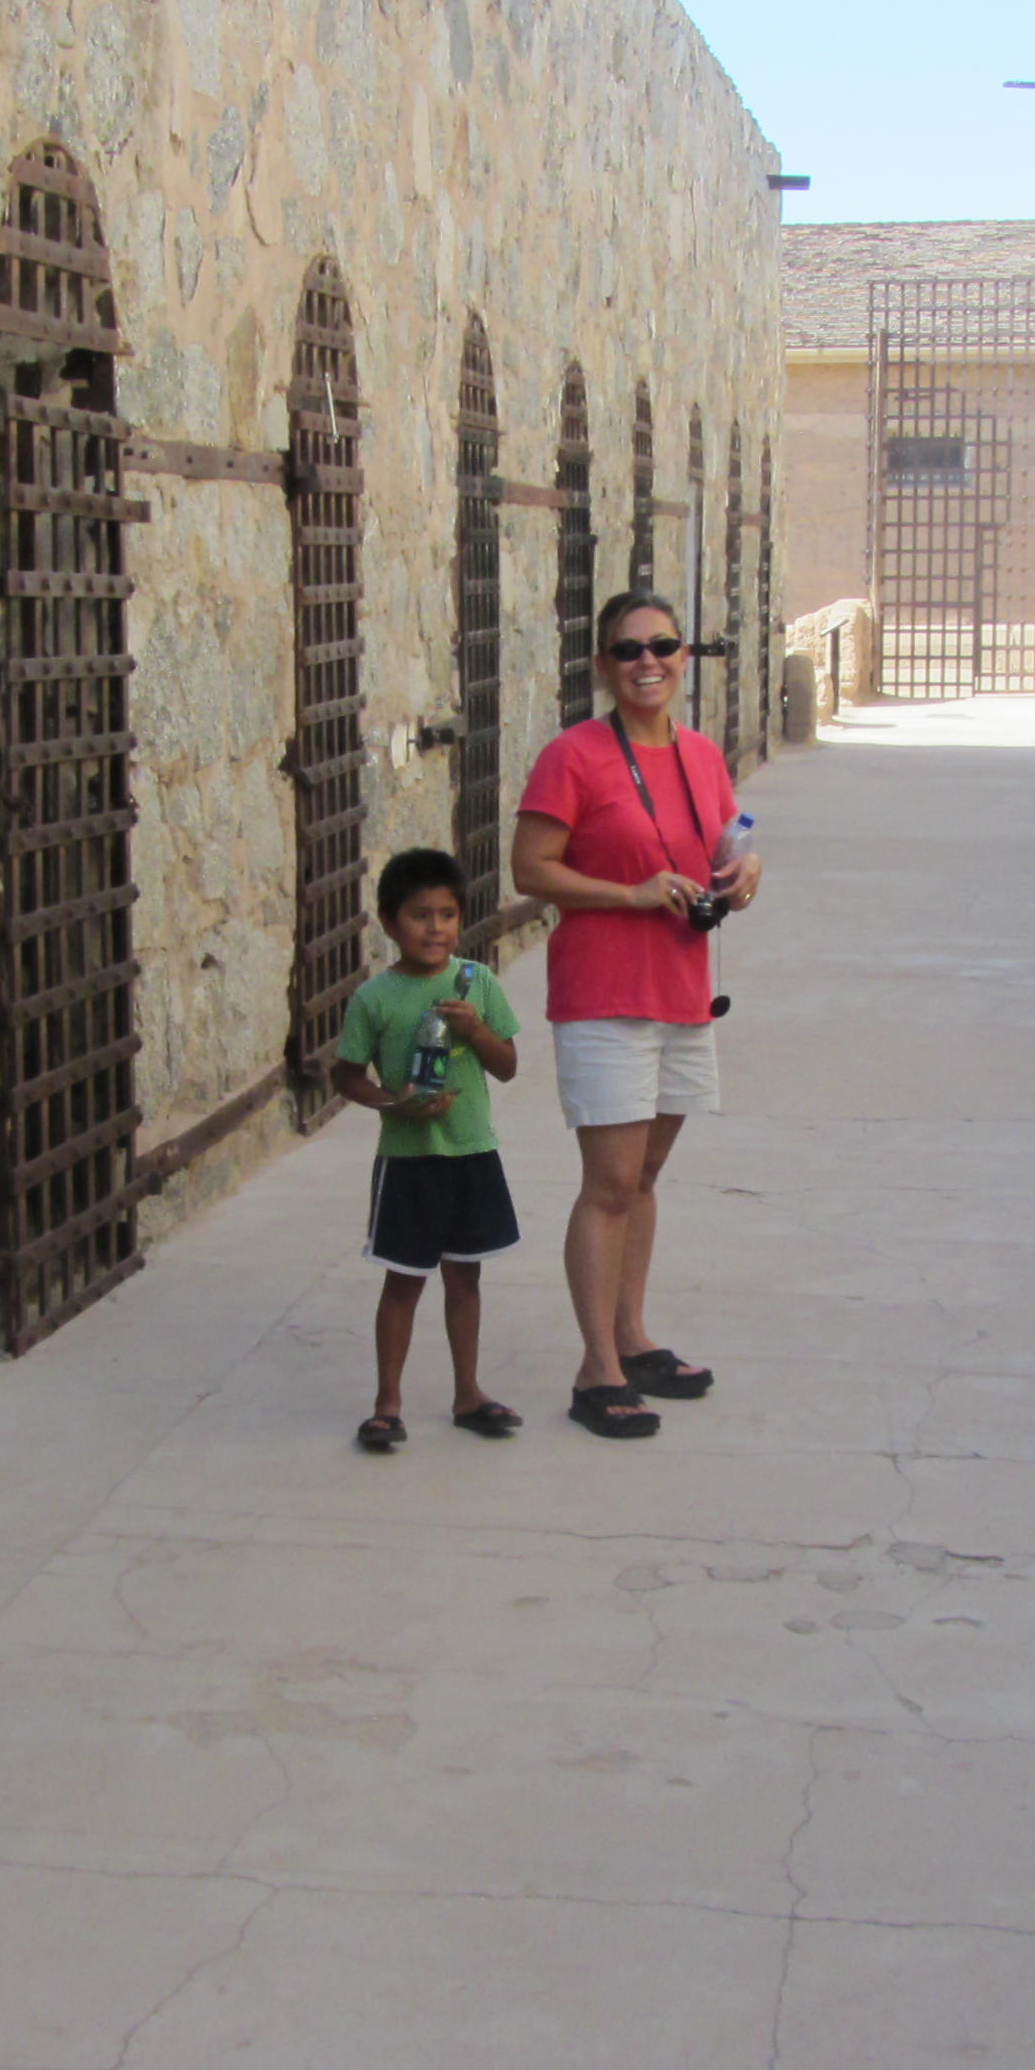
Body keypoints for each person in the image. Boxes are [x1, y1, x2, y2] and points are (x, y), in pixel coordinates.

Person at [507, 590, 760, 1441]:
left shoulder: (701, 754)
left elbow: (721, 845)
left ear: (684, 656)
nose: (647, 661)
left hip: (682, 990)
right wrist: (629, 893)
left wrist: (744, 870)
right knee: (610, 1183)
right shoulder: (572, 756)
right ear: (602, 667)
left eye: (662, 645)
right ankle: (596, 1371)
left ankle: (633, 1335)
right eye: (628, 650)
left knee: (645, 1180)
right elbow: (530, 870)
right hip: (604, 994)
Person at [327, 845, 527, 1450]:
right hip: (408, 1162)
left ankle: (468, 1392)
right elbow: (346, 1075)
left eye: (446, 914)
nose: (434, 928)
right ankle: (388, 1403)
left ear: (460, 920)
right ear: (389, 923)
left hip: (471, 1153)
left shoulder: (479, 983)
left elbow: (508, 1066)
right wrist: (395, 1103)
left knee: (465, 1280)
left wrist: (476, 1030)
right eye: (418, 915)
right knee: (404, 1282)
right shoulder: (375, 998)